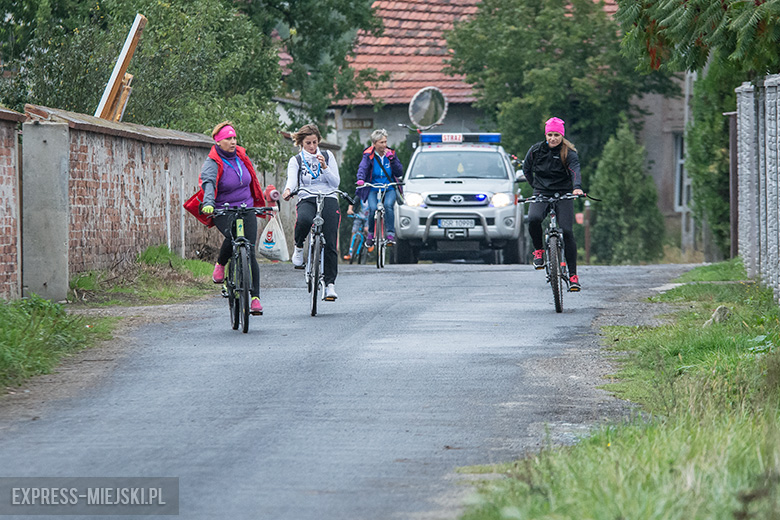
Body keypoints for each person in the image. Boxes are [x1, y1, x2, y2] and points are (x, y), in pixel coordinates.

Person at [198, 121, 268, 314]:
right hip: (223, 208)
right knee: (232, 235)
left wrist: (260, 202)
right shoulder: (212, 162)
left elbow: (252, 179)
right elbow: (209, 183)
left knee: (250, 251)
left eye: (234, 137)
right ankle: (221, 264)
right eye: (228, 138)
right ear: (218, 141)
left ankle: (255, 298)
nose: (233, 141)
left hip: (246, 206)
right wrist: (208, 203)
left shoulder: (242, 157)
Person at [522, 117, 584, 291]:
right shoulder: (536, 150)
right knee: (533, 218)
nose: (553, 138)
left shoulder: (569, 153)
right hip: (541, 191)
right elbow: (526, 169)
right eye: (550, 134)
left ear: (561, 136)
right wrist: (535, 186)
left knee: (568, 231)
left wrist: (577, 188)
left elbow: (575, 171)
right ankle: (539, 251)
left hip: (563, 193)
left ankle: (573, 275)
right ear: (546, 135)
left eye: (556, 135)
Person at [282, 123, 341, 301]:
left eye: (315, 142)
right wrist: (287, 190)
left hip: (328, 196)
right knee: (305, 220)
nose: (312, 147)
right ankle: (299, 247)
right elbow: (292, 181)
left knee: (330, 241)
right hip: (307, 196)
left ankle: (330, 285)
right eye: (308, 143)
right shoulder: (297, 160)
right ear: (301, 143)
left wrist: (325, 167)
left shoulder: (327, 156)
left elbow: (335, 183)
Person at [356, 129, 404, 246]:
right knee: (372, 209)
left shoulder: (391, 154)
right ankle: (371, 234)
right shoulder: (368, 155)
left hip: (389, 187)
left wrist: (392, 160)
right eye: (381, 142)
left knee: (388, 206)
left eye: (385, 142)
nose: (384, 145)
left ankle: (390, 235)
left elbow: (399, 172)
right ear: (374, 143)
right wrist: (360, 179)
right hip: (373, 187)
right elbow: (363, 167)